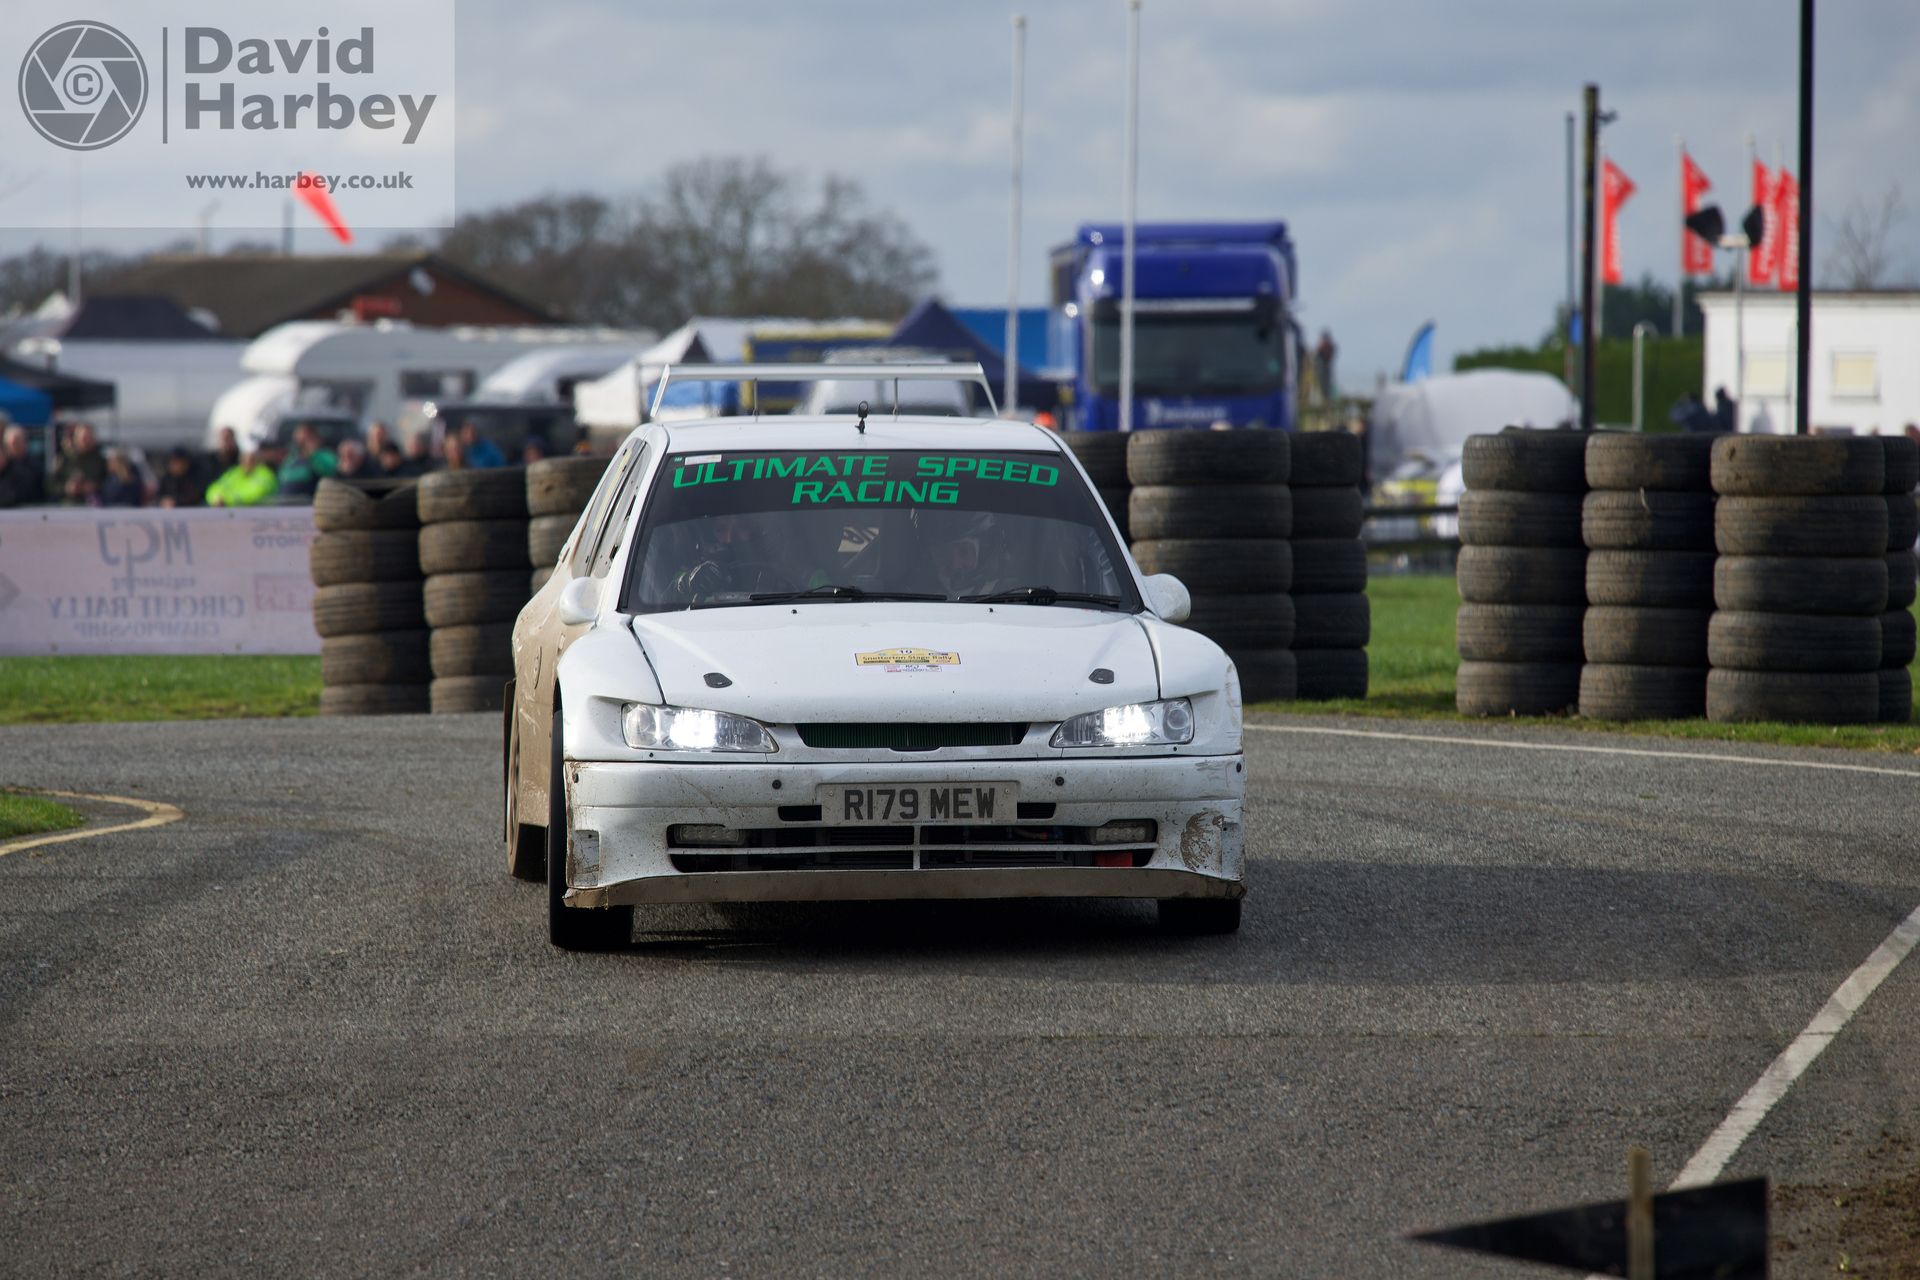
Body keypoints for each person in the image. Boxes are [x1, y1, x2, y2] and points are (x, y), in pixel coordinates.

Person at [51, 421, 107, 505]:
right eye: (83, 438)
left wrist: (93, 487)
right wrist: (66, 488)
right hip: (68, 505)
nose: (86, 441)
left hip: (93, 505)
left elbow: (107, 482)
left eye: (89, 438)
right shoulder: (64, 459)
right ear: (76, 438)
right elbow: (50, 484)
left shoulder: (99, 460)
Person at [277, 424, 338, 497]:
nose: (303, 442)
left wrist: (313, 453)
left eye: (307, 438)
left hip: (308, 502)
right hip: (286, 502)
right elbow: (282, 477)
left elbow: (330, 473)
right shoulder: (291, 458)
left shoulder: (325, 455)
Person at [207, 450, 279, 507]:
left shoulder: (266, 475)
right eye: (244, 460)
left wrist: (226, 500)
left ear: (257, 461)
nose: (247, 463)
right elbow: (216, 487)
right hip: (231, 511)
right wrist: (215, 497)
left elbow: (255, 495)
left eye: (251, 460)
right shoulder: (234, 473)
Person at [0, 424, 45, 508]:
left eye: (18, 442)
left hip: (31, 509)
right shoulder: (4, 468)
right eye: (12, 443)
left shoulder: (34, 466)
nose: (14, 447)